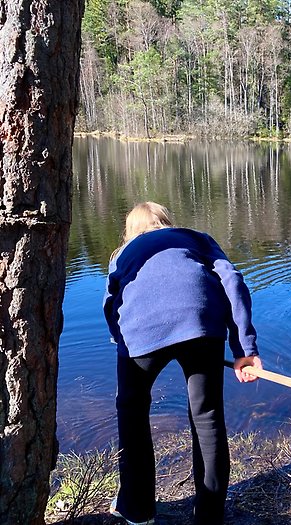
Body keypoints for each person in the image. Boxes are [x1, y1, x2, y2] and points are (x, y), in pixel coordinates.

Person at [103, 202, 262, 525]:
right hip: (202, 323)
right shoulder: (196, 238)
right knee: (207, 419)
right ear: (166, 222)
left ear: (130, 230)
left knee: (132, 416)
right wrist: (244, 347)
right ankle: (209, 516)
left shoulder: (124, 252)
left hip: (140, 331)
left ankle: (137, 510)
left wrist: (121, 342)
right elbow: (232, 281)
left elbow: (111, 303)